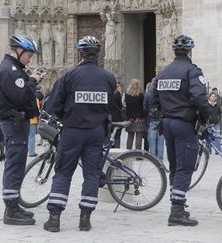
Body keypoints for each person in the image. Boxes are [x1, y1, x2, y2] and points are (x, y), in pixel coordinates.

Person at [43, 36, 116, 232]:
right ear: (98, 55)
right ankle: (85, 218)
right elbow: (112, 106)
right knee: (91, 174)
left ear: (80, 53)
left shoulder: (69, 75)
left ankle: (54, 218)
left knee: (64, 172)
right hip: (96, 132)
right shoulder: (108, 78)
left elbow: (53, 105)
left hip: (72, 131)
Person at [152, 34, 209, 226]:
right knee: (186, 167)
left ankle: (177, 205)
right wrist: (206, 117)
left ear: (174, 51)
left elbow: (153, 100)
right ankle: (176, 212)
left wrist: (163, 113)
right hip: (184, 124)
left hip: (167, 123)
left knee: (175, 166)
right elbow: (200, 98)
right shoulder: (192, 71)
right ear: (190, 51)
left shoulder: (163, 72)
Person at [0, 35, 44, 225]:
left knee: (17, 163)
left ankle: (14, 204)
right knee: (14, 165)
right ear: (18, 51)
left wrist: (31, 79)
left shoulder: (15, 69)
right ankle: (11, 210)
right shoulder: (10, 70)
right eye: (29, 55)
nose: (30, 59)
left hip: (18, 123)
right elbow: (20, 97)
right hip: (14, 123)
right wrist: (32, 80)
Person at [144, 82, 165, 160]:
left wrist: (146, 118)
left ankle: (153, 156)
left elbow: (144, 108)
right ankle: (160, 156)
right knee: (161, 137)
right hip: (161, 118)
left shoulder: (147, 94)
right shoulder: (162, 94)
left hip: (151, 118)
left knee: (152, 138)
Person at [124, 79, 146, 150]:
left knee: (130, 136)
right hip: (139, 119)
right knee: (139, 136)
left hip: (130, 119)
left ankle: (128, 152)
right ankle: (138, 154)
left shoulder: (126, 95)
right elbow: (143, 107)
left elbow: (126, 106)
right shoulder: (141, 96)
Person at [108, 82, 125, 148]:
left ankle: (110, 148)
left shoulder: (108, 93)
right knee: (117, 135)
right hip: (117, 116)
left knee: (109, 135)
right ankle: (117, 148)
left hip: (109, 116)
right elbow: (120, 106)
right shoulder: (117, 93)